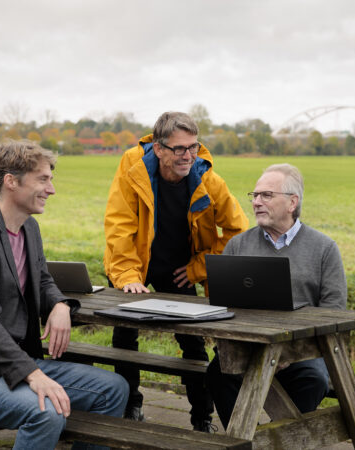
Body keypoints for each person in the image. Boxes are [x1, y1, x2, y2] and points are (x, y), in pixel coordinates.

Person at [0, 140, 129, 450]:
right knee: (45, 413)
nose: (51, 190)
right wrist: (33, 374)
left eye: (51, 179)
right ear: (11, 181)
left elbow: (43, 280)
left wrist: (60, 304)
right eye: (43, 179)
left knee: (114, 388)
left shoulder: (28, 228)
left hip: (17, 363)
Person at [103, 111, 248, 431]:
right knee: (124, 332)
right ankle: (130, 405)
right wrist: (127, 277)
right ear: (159, 148)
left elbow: (239, 230)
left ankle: (202, 418)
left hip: (179, 267)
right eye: (179, 149)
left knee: (193, 340)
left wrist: (198, 268)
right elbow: (119, 224)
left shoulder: (206, 178)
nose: (188, 155)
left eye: (193, 147)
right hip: (135, 263)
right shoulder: (133, 166)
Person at [206, 163, 347, 430]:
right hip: (247, 349)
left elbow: (335, 312)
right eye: (255, 196)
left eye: (266, 195)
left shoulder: (324, 249)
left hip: (301, 354)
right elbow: (223, 305)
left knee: (314, 380)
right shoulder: (238, 245)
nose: (256, 202)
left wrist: (290, 354)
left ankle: (280, 440)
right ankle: (241, 441)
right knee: (217, 373)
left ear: (292, 202)